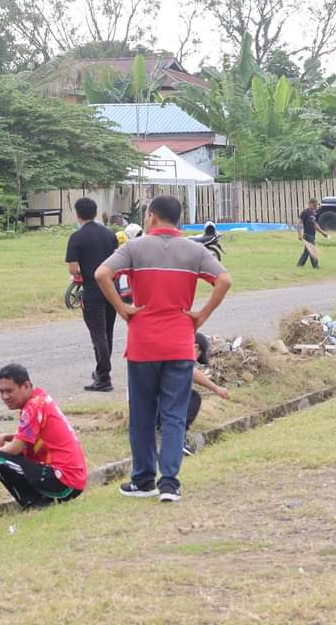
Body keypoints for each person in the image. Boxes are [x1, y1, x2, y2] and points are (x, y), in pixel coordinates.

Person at [95, 195, 232, 503]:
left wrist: (123, 308)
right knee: (173, 415)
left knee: (142, 414)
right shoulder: (195, 251)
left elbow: (102, 274)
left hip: (143, 344)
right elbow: (224, 279)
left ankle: (143, 480)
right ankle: (169, 483)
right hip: (180, 344)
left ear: (152, 216)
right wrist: (201, 315)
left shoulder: (133, 247)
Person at [0, 364, 87, 508]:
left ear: (26, 386)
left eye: (9, 391)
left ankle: (33, 504)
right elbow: (28, 438)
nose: (5, 397)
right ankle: (39, 500)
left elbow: (15, 448)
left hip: (65, 482)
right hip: (74, 480)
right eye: (1, 392)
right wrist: (7, 436)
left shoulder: (33, 406)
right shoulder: (40, 398)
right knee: (15, 454)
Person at [66, 197, 122, 393]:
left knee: (97, 333)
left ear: (78, 214)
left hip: (93, 288)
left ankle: (104, 377)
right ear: (96, 212)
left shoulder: (77, 237)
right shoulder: (109, 234)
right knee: (108, 332)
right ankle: (101, 371)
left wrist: (81, 273)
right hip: (112, 287)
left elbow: (73, 269)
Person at [178, 332, 230, 456]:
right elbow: (192, 372)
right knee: (193, 397)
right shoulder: (179, 353)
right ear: (195, 347)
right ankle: (176, 438)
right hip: (152, 401)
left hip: (142, 403)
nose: (195, 361)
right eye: (198, 356)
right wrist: (216, 389)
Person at [296, 198, 329, 269]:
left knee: (306, 251)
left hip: (312, 235)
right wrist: (299, 234)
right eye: (314, 205)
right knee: (312, 250)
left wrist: (323, 233)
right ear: (310, 204)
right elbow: (299, 223)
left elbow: (315, 225)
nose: (315, 207)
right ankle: (316, 266)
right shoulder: (305, 212)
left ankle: (300, 265)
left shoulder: (313, 213)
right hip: (307, 235)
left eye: (316, 206)